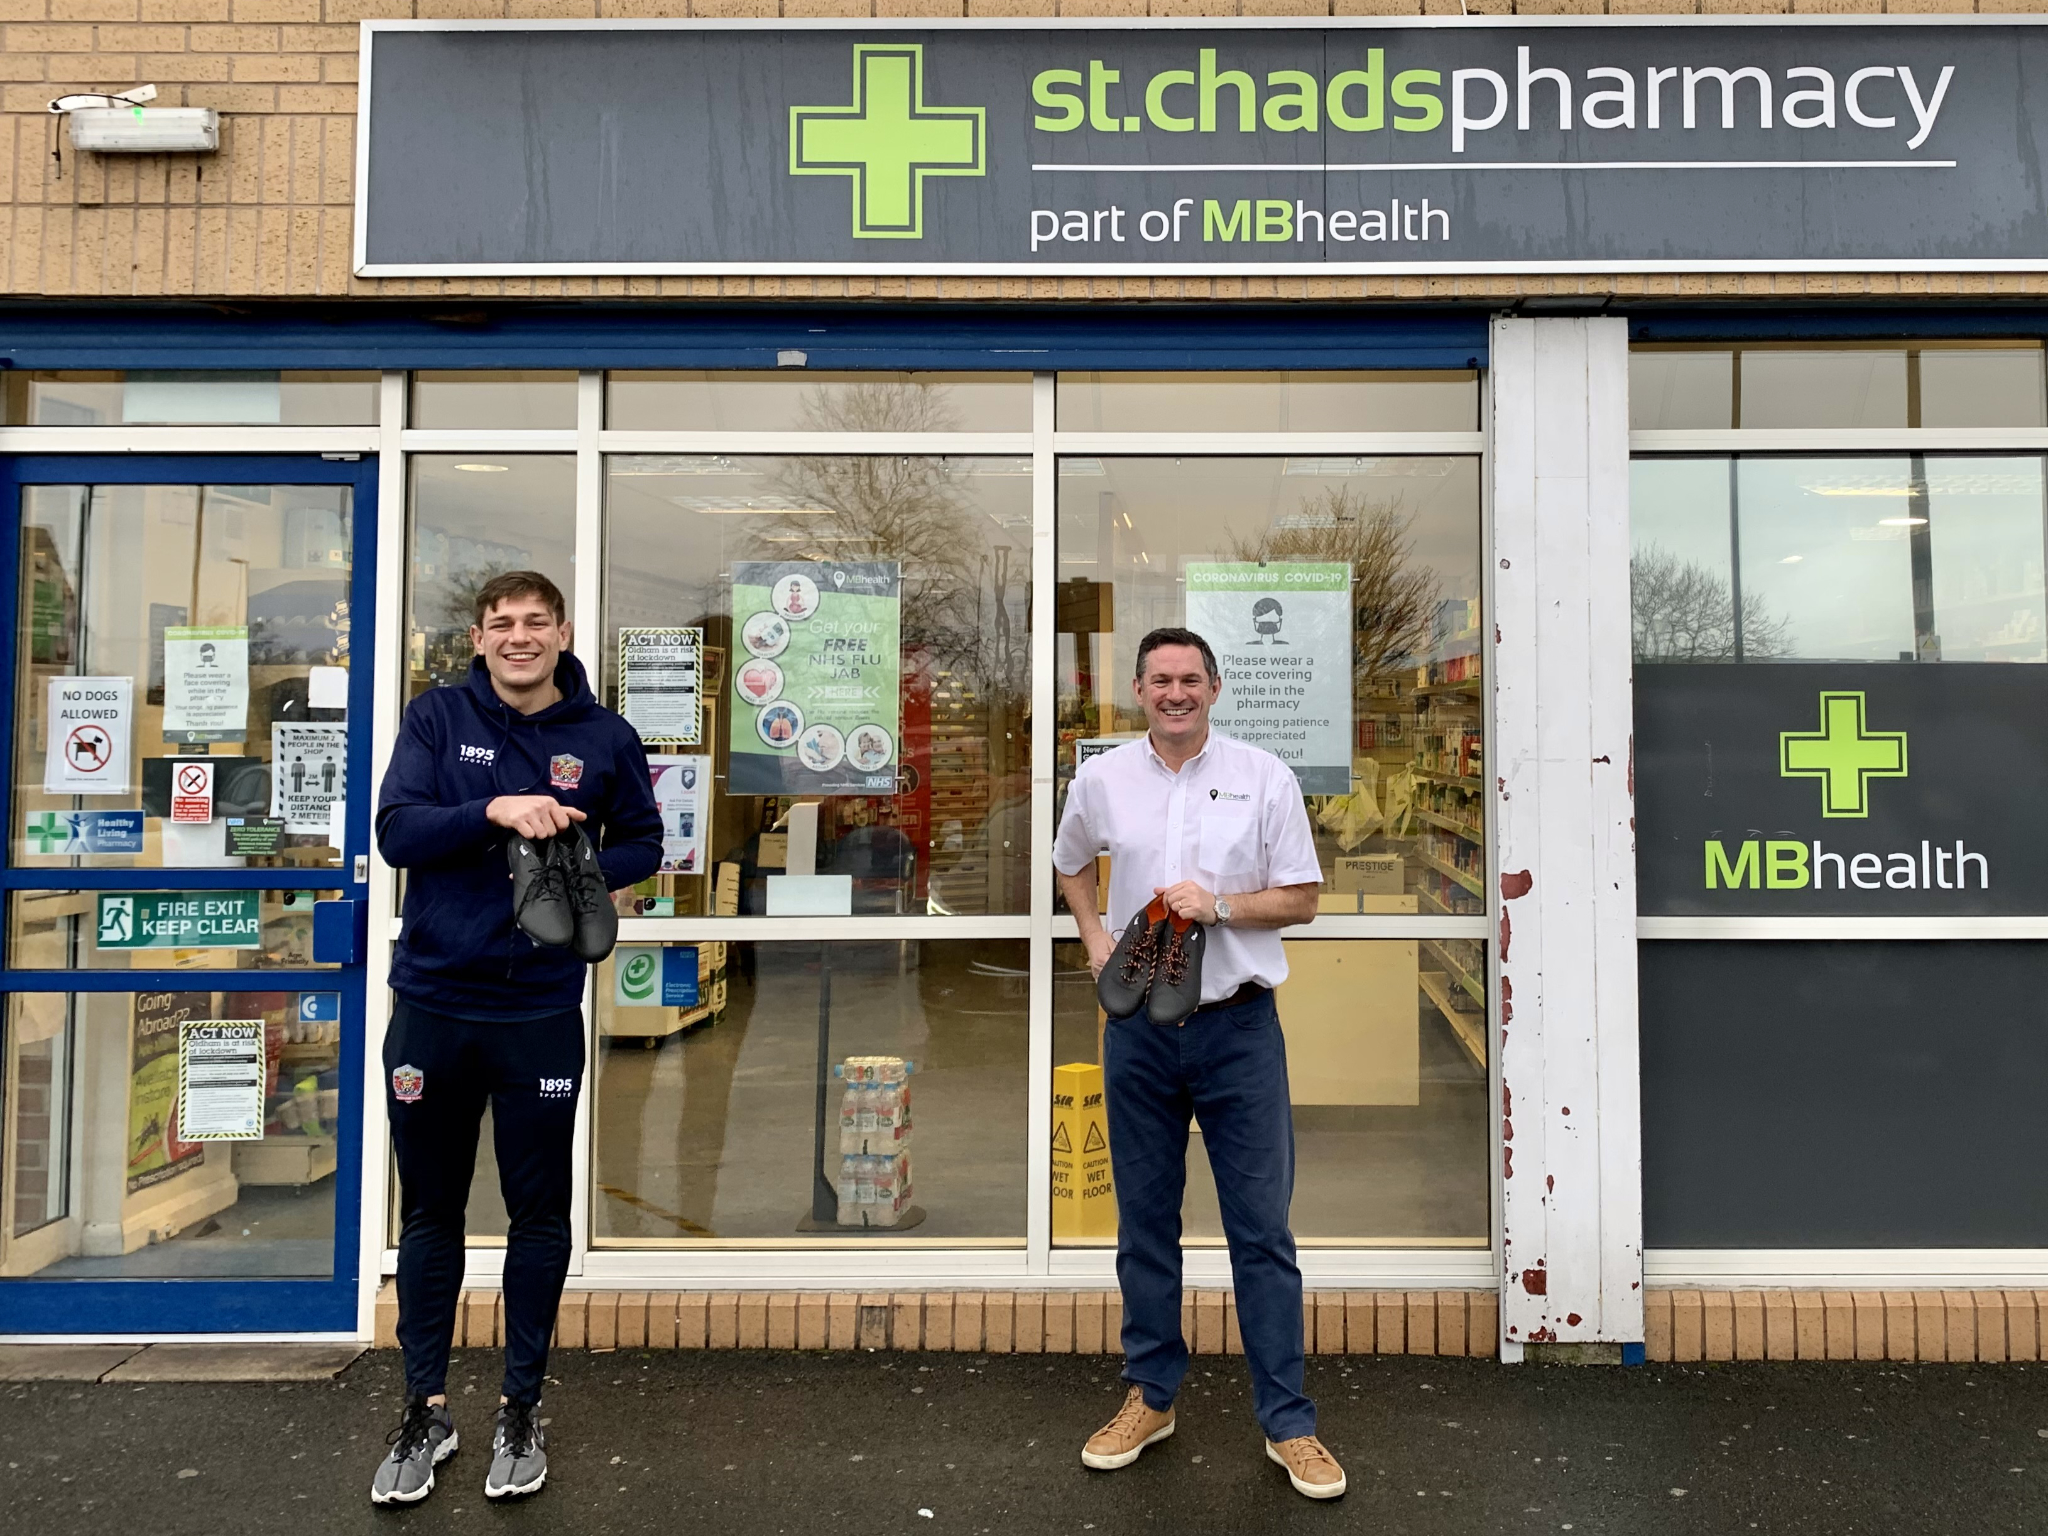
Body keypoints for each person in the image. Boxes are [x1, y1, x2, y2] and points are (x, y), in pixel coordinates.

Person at [368, 571, 661, 1505]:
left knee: (538, 1216)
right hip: (434, 1004)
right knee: (430, 1214)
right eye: (504, 625)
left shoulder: (603, 735)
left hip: (537, 1012)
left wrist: (575, 864)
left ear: (563, 631)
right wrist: (496, 813)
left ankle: (521, 1409)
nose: (520, 638)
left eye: (537, 623)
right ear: (481, 635)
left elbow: (646, 843)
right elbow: (396, 832)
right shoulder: (434, 719)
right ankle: (425, 1409)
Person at [1052, 626, 1345, 1501]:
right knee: (1145, 1222)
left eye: (1190, 678)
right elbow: (1070, 865)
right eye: (1159, 680)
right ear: (1138, 692)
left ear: (1214, 688)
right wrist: (1097, 936)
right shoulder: (1101, 780)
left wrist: (1218, 905)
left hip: (1238, 1031)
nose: (1175, 692)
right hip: (1138, 1031)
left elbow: (1303, 898)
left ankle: (1288, 1423)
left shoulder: (1264, 777)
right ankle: (1151, 1396)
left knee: (1262, 1231)